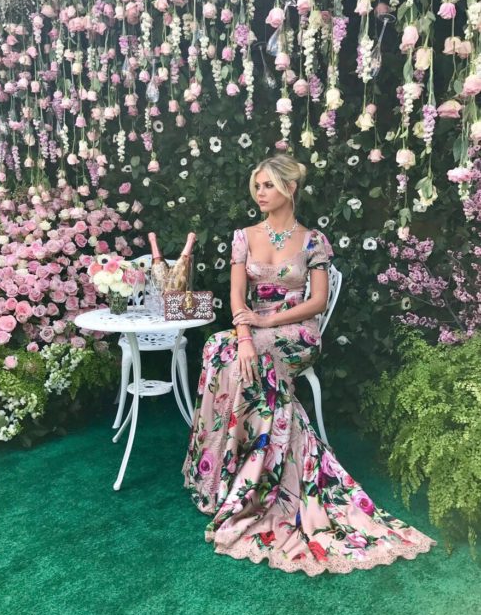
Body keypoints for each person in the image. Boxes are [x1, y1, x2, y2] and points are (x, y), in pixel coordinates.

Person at [182, 154, 435, 575]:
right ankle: (223, 472)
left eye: (267, 185)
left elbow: (316, 302)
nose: (260, 193)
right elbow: (236, 300)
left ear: (289, 188)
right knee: (218, 349)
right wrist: (245, 333)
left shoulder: (313, 240)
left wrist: (267, 322)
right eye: (256, 186)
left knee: (250, 359)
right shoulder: (243, 237)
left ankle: (257, 479)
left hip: (298, 332)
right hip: (254, 327)